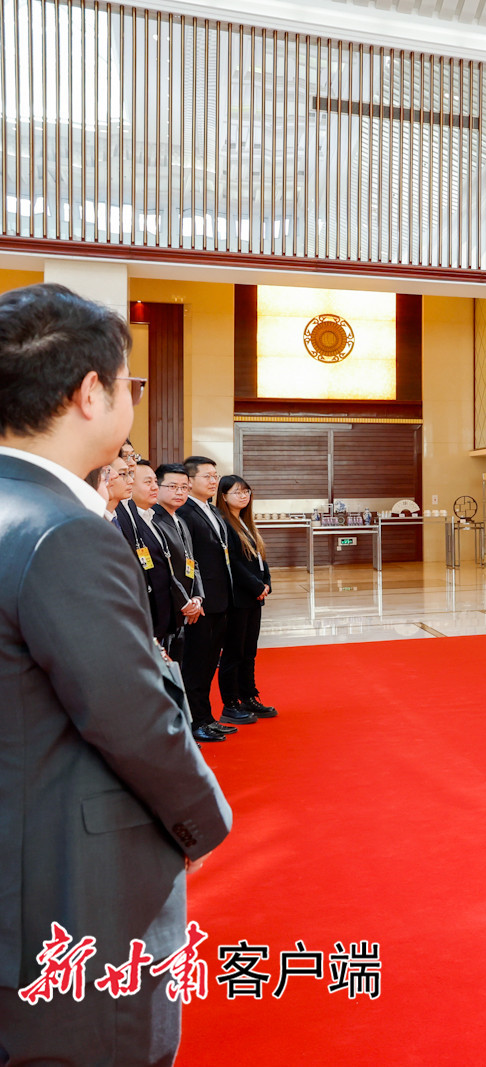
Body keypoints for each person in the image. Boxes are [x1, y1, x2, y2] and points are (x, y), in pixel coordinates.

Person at [0, 282, 231, 1064]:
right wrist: (199, 817)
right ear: (90, 392)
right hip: (64, 890)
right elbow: (130, 713)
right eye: (131, 383)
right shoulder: (63, 531)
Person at [178, 454, 251, 731]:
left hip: (221, 599)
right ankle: (197, 720)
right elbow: (188, 560)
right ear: (190, 480)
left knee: (209, 663)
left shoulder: (212, 510)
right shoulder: (185, 512)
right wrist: (195, 596)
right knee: (196, 664)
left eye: (215, 476)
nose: (213, 481)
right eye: (207, 476)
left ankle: (207, 717)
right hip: (203, 600)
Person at [217, 473, 278, 721]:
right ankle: (231, 703)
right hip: (238, 596)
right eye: (237, 492)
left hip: (253, 596)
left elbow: (259, 559)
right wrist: (255, 585)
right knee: (234, 651)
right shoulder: (224, 523)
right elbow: (232, 561)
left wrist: (266, 582)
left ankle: (249, 696)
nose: (243, 496)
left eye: (246, 491)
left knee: (249, 650)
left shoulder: (244, 522)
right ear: (223, 496)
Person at [115, 458, 187, 658]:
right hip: (146, 616)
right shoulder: (125, 520)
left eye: (155, 481)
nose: (155, 487)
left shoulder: (152, 518)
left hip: (163, 613)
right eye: (148, 482)